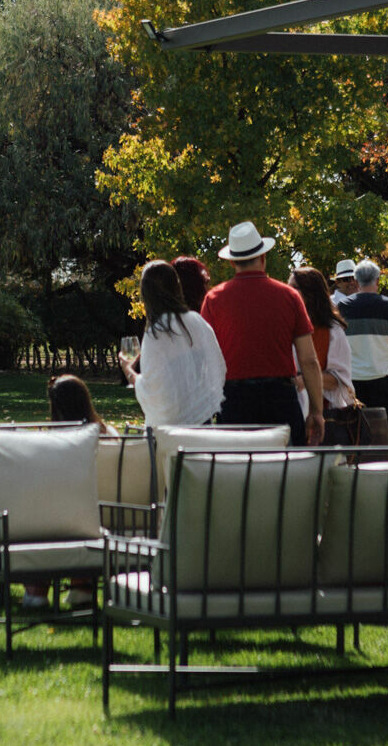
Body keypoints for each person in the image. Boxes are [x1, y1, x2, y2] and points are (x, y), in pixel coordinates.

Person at [199, 221, 326, 446]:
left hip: (234, 400)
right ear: (263, 257)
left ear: (232, 261)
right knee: (286, 473)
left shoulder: (214, 300)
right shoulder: (290, 296)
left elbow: (204, 360)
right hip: (280, 398)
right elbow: (308, 360)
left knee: (240, 475)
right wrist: (316, 411)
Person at [25, 375, 115, 611]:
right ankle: (81, 587)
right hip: (111, 512)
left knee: (38, 514)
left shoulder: (54, 442)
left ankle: (37, 590)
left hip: (68, 517)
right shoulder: (112, 436)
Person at [121, 260, 226, 429]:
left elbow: (152, 391)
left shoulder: (155, 334)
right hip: (203, 427)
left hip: (171, 433)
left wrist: (128, 370)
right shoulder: (197, 322)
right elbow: (218, 368)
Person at [337, 260, 388, 432]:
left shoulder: (342, 307)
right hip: (382, 378)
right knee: (385, 431)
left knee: (356, 433)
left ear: (356, 281)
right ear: (377, 280)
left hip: (353, 381)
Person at [289, 266, 359, 420]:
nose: (289, 292)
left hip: (324, 416)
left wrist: (305, 380)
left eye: (294, 288)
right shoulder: (285, 326)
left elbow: (339, 381)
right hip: (291, 413)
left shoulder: (332, 331)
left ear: (310, 293)